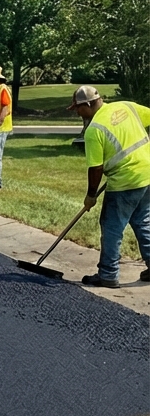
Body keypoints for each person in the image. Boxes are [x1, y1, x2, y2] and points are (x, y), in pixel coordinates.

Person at [68, 85, 150, 288]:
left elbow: (95, 169)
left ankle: (108, 274)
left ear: (87, 104)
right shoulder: (127, 107)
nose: (77, 112)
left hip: (125, 182)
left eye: (78, 108)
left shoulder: (94, 130)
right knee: (143, 222)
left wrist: (90, 195)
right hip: (147, 175)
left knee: (112, 227)